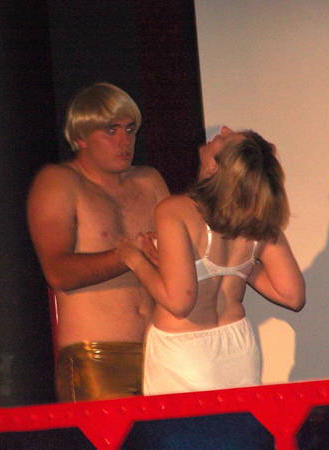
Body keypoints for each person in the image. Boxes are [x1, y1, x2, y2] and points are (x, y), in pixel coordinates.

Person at [117, 127, 305, 395]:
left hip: (183, 352)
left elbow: (179, 303)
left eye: (226, 138)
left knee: (184, 424)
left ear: (213, 167)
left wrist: (134, 259)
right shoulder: (256, 218)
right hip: (238, 349)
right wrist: (241, 265)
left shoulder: (175, 210)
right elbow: (292, 295)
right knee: (237, 422)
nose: (223, 130)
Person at [26, 82, 169, 401]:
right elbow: (58, 272)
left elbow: (180, 258)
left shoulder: (149, 180)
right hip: (95, 357)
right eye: (111, 130)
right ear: (80, 137)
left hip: (161, 351)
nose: (124, 141)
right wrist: (130, 255)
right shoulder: (60, 181)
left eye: (130, 129)